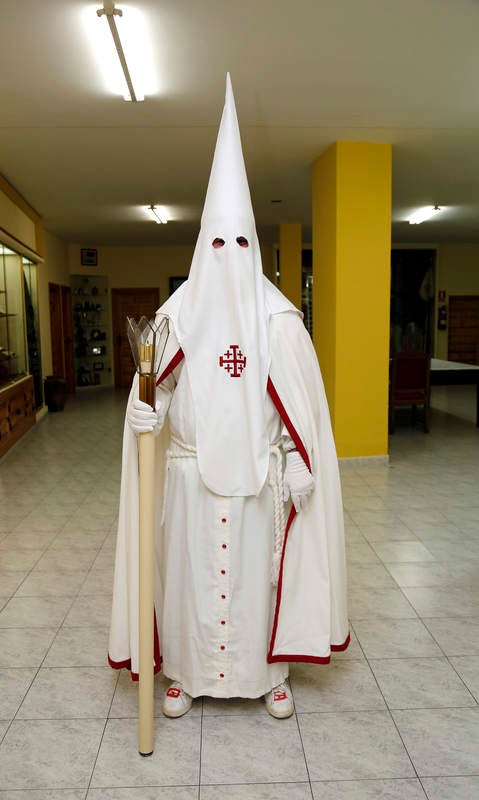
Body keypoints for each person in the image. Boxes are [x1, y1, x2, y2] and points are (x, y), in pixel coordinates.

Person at [108, 74, 349, 719]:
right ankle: (182, 673)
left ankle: (270, 675)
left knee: (257, 579)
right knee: (187, 578)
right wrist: (141, 417)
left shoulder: (280, 322)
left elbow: (304, 410)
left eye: (240, 243)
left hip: (261, 483)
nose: (229, 254)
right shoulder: (174, 317)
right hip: (187, 479)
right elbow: (153, 387)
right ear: (199, 248)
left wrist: (300, 459)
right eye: (217, 242)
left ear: (257, 248)